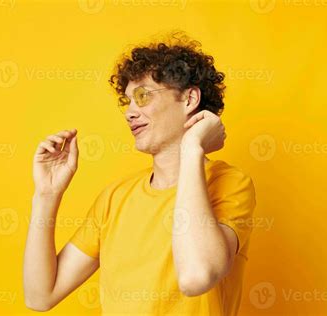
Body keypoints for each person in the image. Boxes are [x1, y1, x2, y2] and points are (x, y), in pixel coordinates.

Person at [23, 32, 256, 315]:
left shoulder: (229, 183)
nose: (129, 113)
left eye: (143, 96)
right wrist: (46, 195)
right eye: (127, 101)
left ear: (189, 99)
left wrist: (193, 148)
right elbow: (40, 296)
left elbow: (196, 276)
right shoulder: (115, 197)